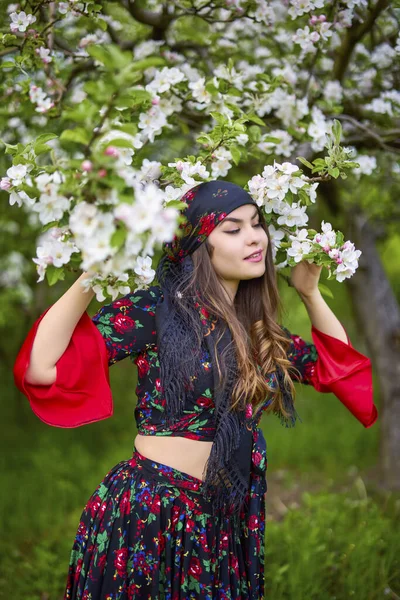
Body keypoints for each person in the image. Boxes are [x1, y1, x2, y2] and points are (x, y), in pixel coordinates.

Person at [14, 180, 378, 599]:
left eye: (256, 224)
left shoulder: (257, 331)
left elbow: (338, 370)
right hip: (152, 511)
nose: (254, 237)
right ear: (198, 243)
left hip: (225, 519)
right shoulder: (156, 311)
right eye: (233, 228)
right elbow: (44, 369)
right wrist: (93, 273)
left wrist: (311, 292)